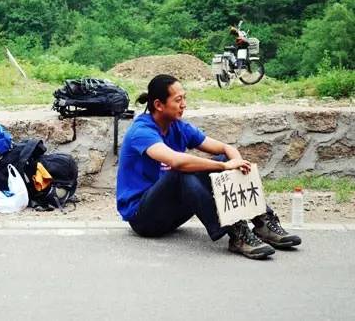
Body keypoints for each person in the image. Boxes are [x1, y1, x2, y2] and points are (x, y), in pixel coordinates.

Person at [116, 74, 301, 259]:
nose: (184, 104)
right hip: (144, 218)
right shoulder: (141, 131)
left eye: (184, 98)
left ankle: (263, 222)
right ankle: (237, 233)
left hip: (170, 214)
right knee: (183, 172)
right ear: (158, 105)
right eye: (178, 100)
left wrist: (237, 166)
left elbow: (226, 148)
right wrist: (224, 166)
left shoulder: (178, 127)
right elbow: (177, 162)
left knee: (223, 159)